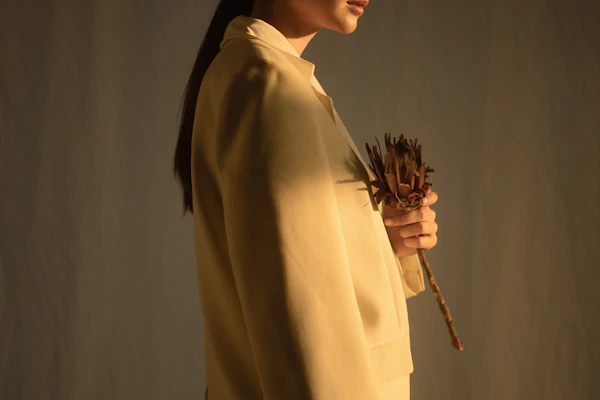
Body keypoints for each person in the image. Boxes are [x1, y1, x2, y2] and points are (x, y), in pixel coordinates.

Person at [172, 0, 439, 398]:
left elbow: (295, 279)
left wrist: (385, 243)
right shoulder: (267, 84)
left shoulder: (267, 75)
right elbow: (304, 322)